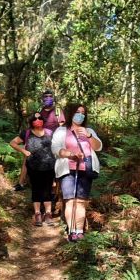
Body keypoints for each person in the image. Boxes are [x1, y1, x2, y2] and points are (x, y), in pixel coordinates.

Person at [52, 102, 103, 241]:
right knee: (70, 201)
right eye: (77, 112)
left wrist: (89, 136)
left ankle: (79, 231)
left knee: (80, 201)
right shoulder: (61, 131)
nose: (80, 115)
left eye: (82, 113)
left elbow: (98, 147)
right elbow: (56, 149)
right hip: (67, 169)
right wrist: (70, 154)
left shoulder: (89, 131)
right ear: (71, 113)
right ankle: (72, 231)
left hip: (85, 169)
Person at [11, 111, 56, 226]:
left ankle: (48, 213)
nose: (37, 121)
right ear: (31, 121)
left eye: (40, 118)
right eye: (35, 119)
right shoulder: (26, 133)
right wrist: (23, 151)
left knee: (47, 189)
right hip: (33, 166)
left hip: (49, 166)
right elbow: (13, 143)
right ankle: (37, 214)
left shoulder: (50, 132)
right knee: (36, 189)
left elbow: (57, 146)